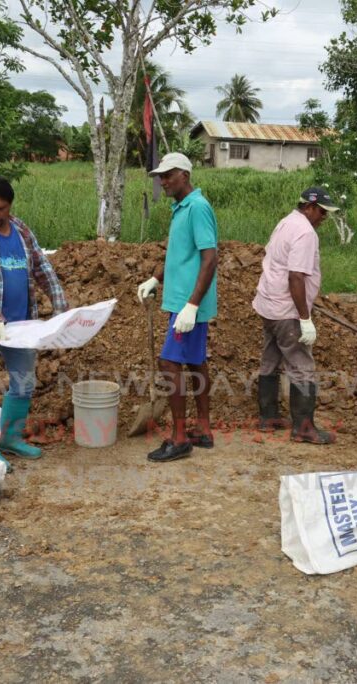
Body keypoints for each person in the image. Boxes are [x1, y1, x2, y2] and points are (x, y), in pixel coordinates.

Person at [0, 174, 68, 471]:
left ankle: (11, 439)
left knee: (24, 384)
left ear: (10, 206)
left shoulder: (21, 230)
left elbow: (41, 265)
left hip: (21, 326)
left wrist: (59, 302)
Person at [137, 152, 218, 462]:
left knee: (170, 363)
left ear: (184, 175)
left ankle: (180, 437)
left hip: (189, 305)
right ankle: (204, 430)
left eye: (168, 175)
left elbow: (210, 258)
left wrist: (192, 306)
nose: (163, 181)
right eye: (161, 176)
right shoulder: (180, 208)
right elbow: (177, 253)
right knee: (196, 362)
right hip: (182, 302)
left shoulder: (197, 207)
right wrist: (155, 279)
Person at [252, 187, 338, 444]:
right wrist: (305, 318)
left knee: (271, 358)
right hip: (286, 311)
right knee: (302, 367)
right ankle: (303, 428)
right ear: (309, 207)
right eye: (322, 211)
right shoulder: (305, 232)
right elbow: (296, 276)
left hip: (268, 305)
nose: (325, 217)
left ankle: (268, 416)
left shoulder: (286, 222)